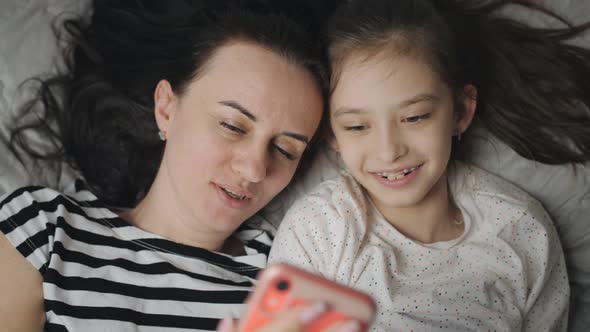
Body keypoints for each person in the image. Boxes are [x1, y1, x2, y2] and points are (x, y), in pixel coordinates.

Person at [0, 0, 352, 331]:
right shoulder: (44, 230)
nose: (255, 169)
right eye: (232, 126)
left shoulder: (293, 279)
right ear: (167, 109)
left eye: (285, 149)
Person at [269, 0, 590, 330]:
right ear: (332, 134)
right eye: (357, 126)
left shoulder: (521, 229)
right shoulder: (320, 228)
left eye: (414, 117)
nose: (389, 150)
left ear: (460, 112)